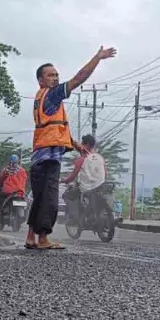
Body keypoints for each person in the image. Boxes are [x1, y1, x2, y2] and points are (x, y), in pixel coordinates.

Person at [27, 46, 117, 250]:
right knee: (49, 200)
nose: (56, 78)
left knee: (40, 198)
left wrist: (75, 144)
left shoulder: (41, 97)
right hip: (49, 157)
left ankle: (31, 237)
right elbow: (79, 78)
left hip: (40, 155)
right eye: (51, 75)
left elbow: (55, 127)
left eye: (57, 75)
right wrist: (97, 58)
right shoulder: (52, 95)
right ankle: (43, 239)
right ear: (41, 80)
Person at [64, 134, 106, 216]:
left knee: (69, 194)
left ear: (86, 145)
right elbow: (105, 173)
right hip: (100, 184)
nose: (81, 145)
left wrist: (64, 180)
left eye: (82, 143)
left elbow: (73, 175)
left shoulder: (82, 159)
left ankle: (75, 217)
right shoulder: (99, 158)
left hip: (87, 187)